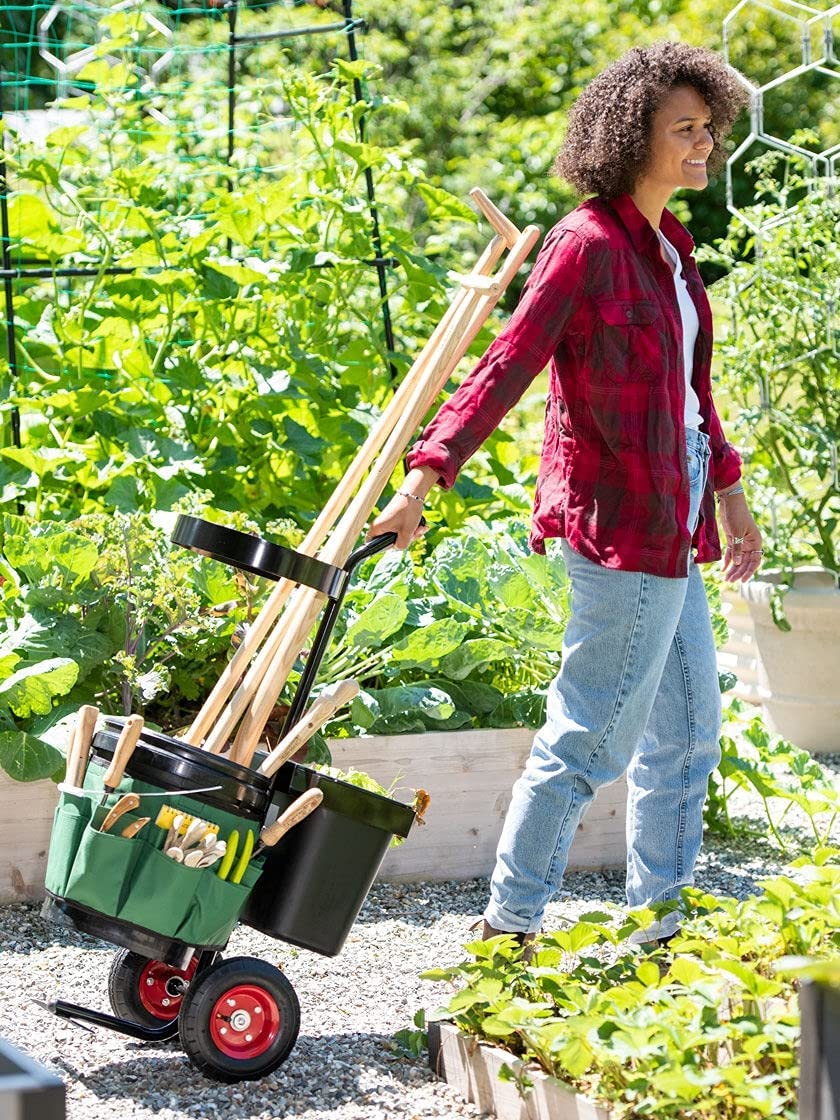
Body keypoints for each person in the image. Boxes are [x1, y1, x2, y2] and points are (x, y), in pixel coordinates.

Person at [367, 41, 762, 947]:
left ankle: (658, 927)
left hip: (680, 518)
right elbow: (508, 366)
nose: (705, 144)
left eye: (710, 127)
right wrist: (428, 474)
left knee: (689, 739)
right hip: (622, 527)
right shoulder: (584, 246)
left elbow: (691, 394)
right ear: (633, 138)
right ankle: (509, 932)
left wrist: (730, 493)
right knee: (587, 743)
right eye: (686, 129)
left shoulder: (671, 246)